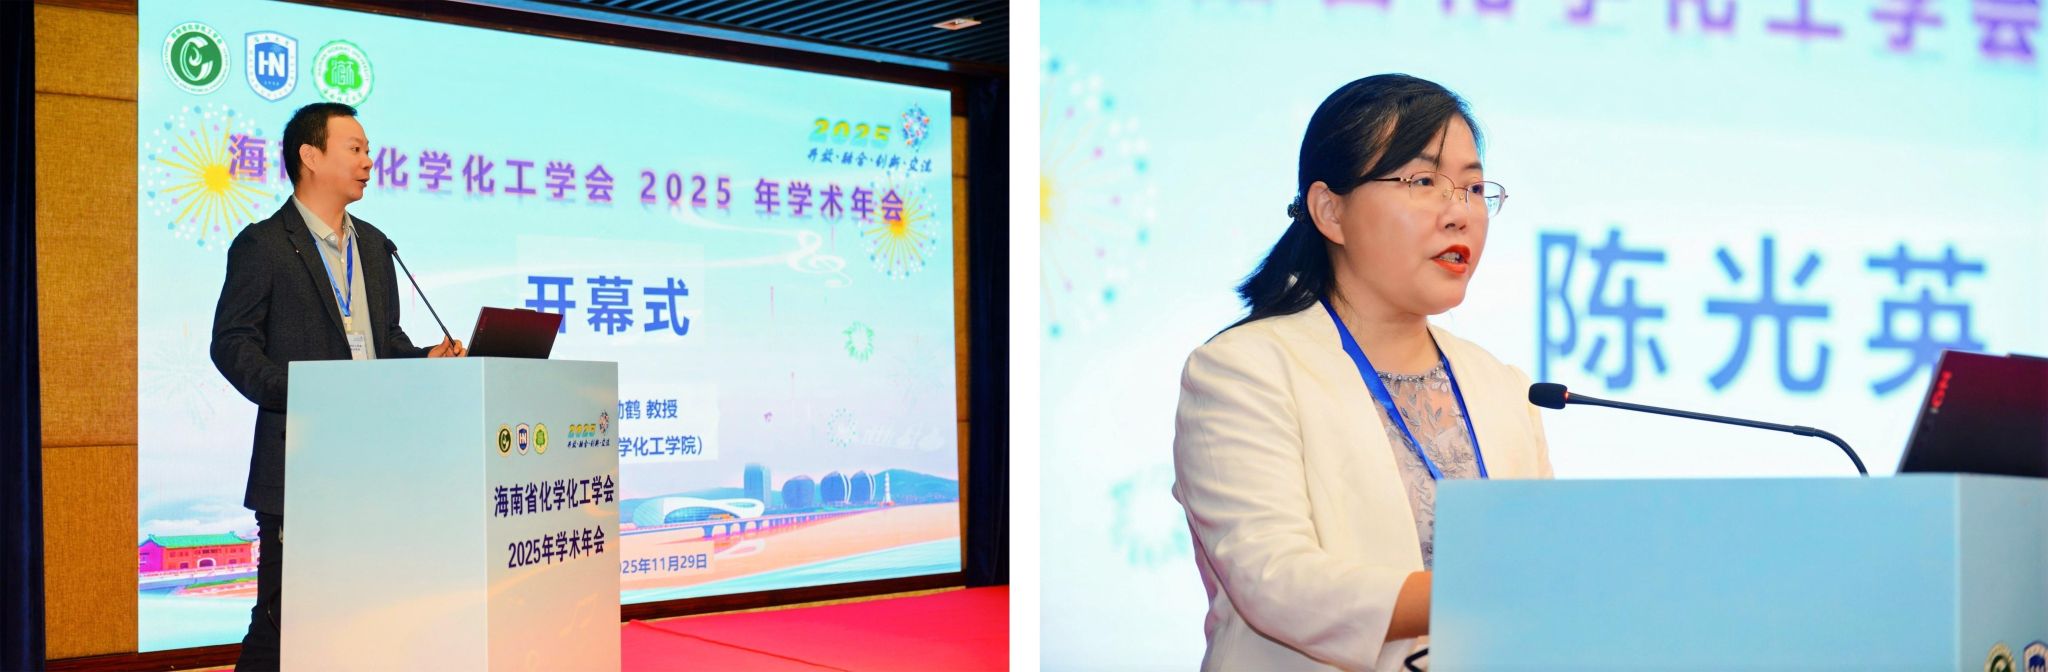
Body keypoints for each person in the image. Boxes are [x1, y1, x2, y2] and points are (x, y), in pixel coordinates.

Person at [1171, 74, 1553, 671]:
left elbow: (1547, 573)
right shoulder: (1241, 373)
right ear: (1330, 210)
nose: (1460, 213)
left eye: (1475, 188)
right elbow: (1277, 581)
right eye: (1423, 182)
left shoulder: (1504, 388)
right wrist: (1488, 590)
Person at [209, 102, 465, 671]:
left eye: (368, 150)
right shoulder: (263, 245)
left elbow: (384, 341)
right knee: (281, 625)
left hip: (376, 464)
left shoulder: (374, 245)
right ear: (310, 156)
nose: (369, 162)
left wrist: (425, 358)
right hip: (302, 463)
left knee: (367, 619)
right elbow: (231, 344)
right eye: (355, 149)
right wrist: (304, 391)